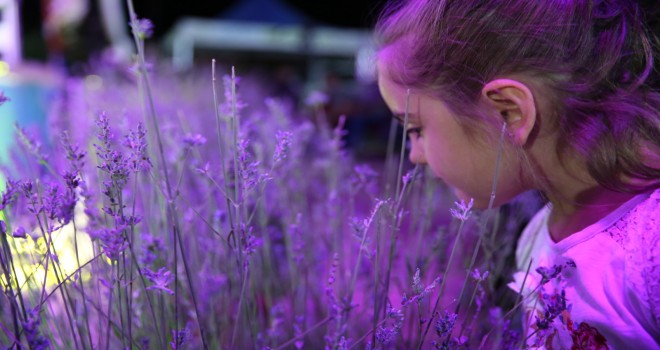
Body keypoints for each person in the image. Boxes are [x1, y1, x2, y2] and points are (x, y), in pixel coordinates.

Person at [375, 0, 659, 348]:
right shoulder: (535, 238)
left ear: (508, 113)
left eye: (415, 129)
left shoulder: (650, 244)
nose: (414, 155)